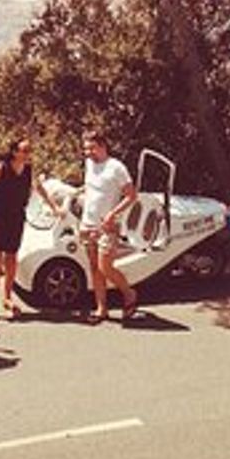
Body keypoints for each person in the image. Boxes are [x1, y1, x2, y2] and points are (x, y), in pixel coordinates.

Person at [0, 138, 59, 321]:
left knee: (11, 257)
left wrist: (54, 207)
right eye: (25, 150)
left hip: (16, 217)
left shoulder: (28, 170)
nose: (29, 154)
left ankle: (6, 297)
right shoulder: (1, 168)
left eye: (30, 150)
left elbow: (40, 189)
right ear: (15, 152)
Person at [79, 131, 139, 322]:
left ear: (103, 146)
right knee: (95, 268)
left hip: (108, 226)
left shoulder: (116, 168)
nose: (88, 152)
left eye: (92, 148)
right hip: (88, 224)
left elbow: (131, 196)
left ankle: (129, 294)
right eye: (86, 148)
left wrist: (113, 214)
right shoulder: (89, 164)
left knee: (106, 267)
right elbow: (90, 189)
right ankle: (101, 308)